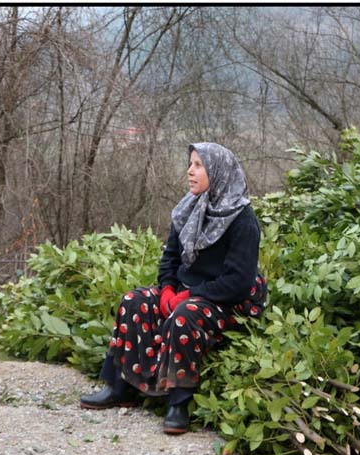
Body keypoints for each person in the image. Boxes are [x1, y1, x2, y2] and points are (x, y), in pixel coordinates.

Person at [80, 142, 266, 435]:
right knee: (133, 301)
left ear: (218, 172)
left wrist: (189, 296)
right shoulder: (187, 209)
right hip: (185, 292)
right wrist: (167, 290)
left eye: (198, 165)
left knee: (185, 315)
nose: (190, 171)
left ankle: (178, 403)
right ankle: (120, 386)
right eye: (190, 164)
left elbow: (239, 282)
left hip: (227, 300)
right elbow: (169, 260)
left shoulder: (243, 220)